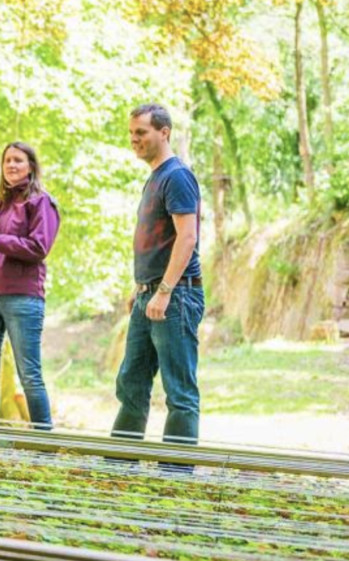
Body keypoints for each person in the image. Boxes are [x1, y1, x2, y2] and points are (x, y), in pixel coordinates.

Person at [112, 103, 205, 447]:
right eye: (131, 133)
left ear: (164, 133)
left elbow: (188, 237)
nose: (134, 139)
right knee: (131, 383)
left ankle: (175, 477)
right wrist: (142, 288)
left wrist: (164, 290)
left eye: (141, 132)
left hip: (176, 295)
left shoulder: (177, 176)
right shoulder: (154, 178)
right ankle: (119, 466)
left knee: (179, 389)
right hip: (149, 294)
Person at [0, 142, 60, 430]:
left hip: (23, 298)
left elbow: (38, 247)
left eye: (18, 160)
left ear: (31, 166)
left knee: (29, 373)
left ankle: (43, 442)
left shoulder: (41, 203)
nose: (11, 165)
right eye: (7, 160)